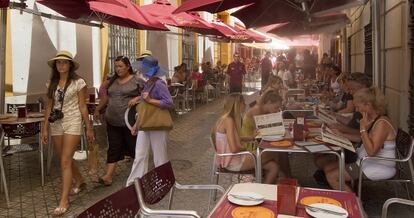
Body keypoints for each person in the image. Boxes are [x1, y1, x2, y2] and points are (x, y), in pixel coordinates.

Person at [41, 51, 95, 216]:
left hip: (73, 121)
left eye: (64, 62)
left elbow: (83, 106)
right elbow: (49, 107)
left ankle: (64, 201)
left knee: (64, 161)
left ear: (70, 65)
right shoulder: (51, 83)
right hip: (56, 123)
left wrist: (89, 127)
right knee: (64, 158)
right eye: (58, 63)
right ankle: (79, 180)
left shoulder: (78, 82)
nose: (61, 65)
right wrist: (44, 128)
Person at [324, 87, 396, 192]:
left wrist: (363, 128)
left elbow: (371, 151)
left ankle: (355, 205)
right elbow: (363, 139)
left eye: (358, 106)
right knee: (328, 168)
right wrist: (341, 135)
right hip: (366, 160)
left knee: (332, 176)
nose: (357, 110)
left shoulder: (382, 123)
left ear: (368, 105)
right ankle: (349, 193)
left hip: (378, 164)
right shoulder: (375, 119)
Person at [93, 56, 143, 186]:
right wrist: (98, 109)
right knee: (113, 148)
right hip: (112, 121)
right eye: (116, 66)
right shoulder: (112, 82)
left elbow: (148, 94)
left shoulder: (137, 80)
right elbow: (106, 98)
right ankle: (108, 176)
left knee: (134, 148)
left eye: (121, 66)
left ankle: (139, 175)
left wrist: (137, 98)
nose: (118, 69)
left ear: (127, 67)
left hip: (129, 122)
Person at [126, 56, 174, 185]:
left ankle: (164, 181)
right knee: (140, 154)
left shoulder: (159, 84)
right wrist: (137, 124)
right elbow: (144, 108)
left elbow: (169, 103)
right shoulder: (148, 84)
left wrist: (150, 100)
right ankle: (134, 182)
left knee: (160, 156)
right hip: (145, 124)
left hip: (158, 124)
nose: (142, 71)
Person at [212, 93, 280, 184]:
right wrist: (246, 150)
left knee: (273, 167)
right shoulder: (229, 121)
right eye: (243, 103)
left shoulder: (226, 119)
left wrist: (251, 137)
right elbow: (234, 148)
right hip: (233, 162)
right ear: (237, 105)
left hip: (232, 159)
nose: (245, 105)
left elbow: (235, 139)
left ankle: (263, 190)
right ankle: (280, 179)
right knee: (275, 153)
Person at [240, 90, 291, 177]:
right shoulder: (256, 111)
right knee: (279, 151)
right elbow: (263, 132)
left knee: (281, 151)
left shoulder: (262, 110)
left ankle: (285, 177)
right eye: (276, 107)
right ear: (268, 102)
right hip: (250, 144)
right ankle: (284, 176)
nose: (277, 110)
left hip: (256, 141)